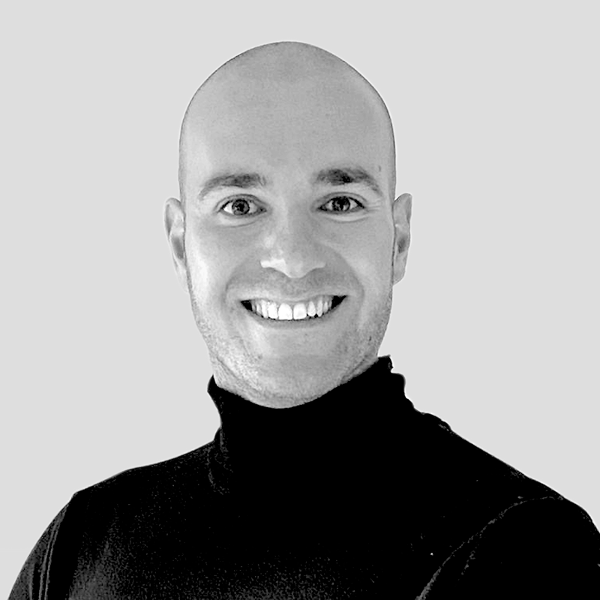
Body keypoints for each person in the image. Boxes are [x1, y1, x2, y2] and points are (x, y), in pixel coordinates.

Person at [9, 41, 600, 599]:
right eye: (241, 206)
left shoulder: (526, 548)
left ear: (398, 240)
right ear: (180, 243)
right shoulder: (83, 543)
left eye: (340, 203)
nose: (292, 258)